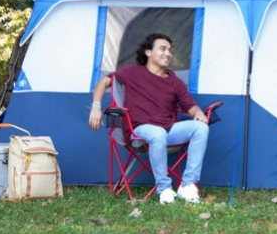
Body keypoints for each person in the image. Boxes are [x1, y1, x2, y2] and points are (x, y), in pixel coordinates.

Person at [88, 33, 210, 205]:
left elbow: (191, 106)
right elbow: (104, 82)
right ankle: (164, 188)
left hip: (167, 129)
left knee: (201, 128)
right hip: (139, 130)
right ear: (148, 52)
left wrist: (197, 112)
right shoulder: (132, 72)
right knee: (157, 133)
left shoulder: (175, 82)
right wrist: (96, 107)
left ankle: (188, 185)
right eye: (162, 49)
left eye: (169, 50)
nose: (168, 53)